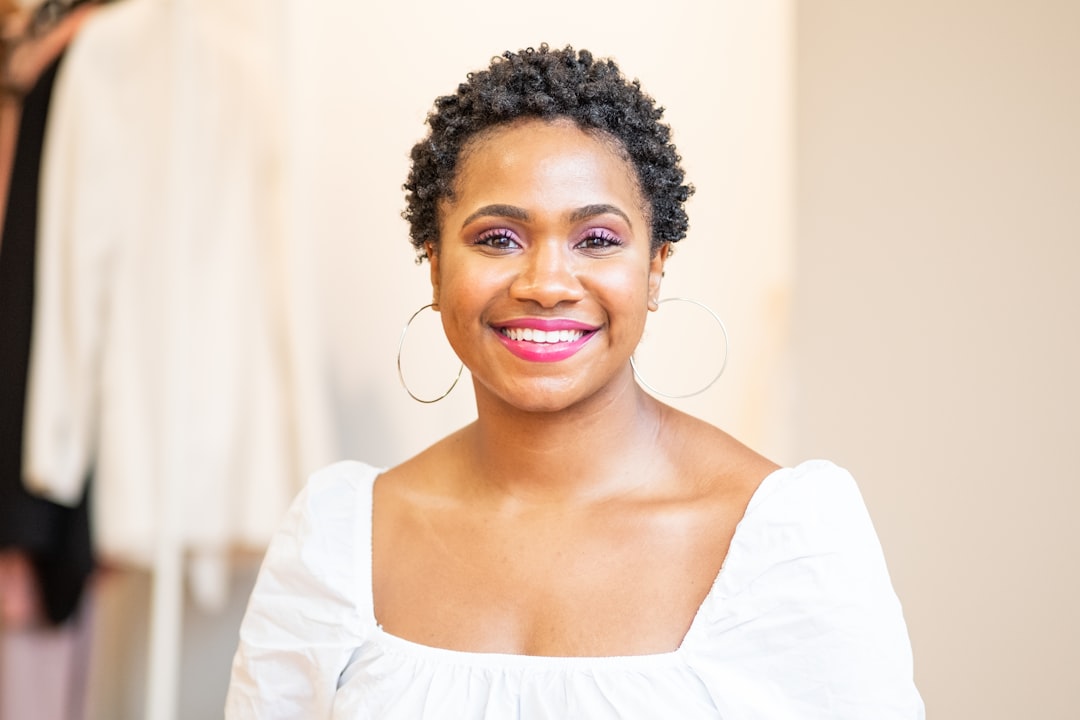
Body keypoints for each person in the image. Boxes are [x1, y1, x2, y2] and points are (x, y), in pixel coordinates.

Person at [225, 44, 923, 718]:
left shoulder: (787, 540)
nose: (547, 285)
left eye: (596, 239)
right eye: (499, 238)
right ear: (435, 268)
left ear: (654, 270)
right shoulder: (338, 538)